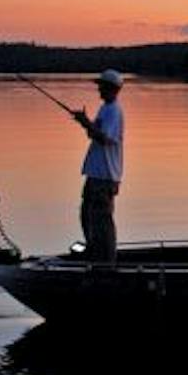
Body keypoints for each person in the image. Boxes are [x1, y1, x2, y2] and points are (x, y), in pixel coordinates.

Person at [71, 69, 125, 267]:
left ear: (112, 88)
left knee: (102, 221)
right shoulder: (105, 108)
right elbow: (95, 134)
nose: (99, 89)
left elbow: (105, 138)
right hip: (95, 175)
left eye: (102, 86)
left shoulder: (114, 111)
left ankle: (106, 263)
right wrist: (85, 123)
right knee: (87, 216)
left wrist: (86, 123)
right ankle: (95, 255)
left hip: (105, 176)